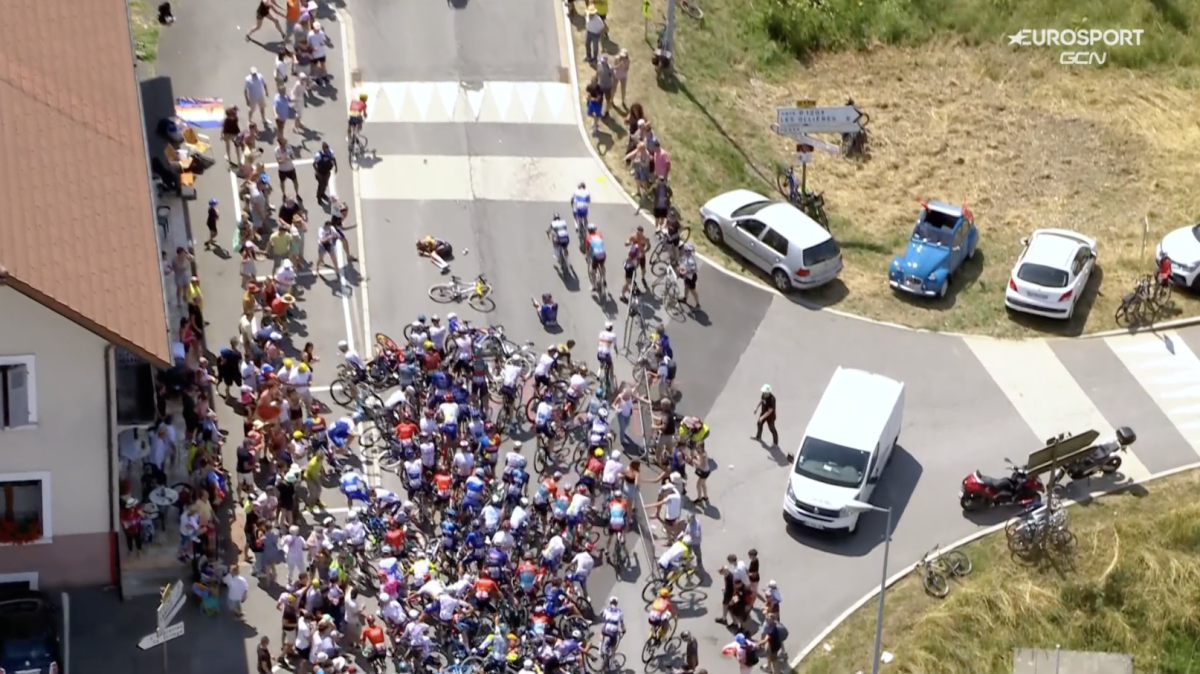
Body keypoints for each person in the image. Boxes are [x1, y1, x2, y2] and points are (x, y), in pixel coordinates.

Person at [678, 242, 700, 307]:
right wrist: (681, 267)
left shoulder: (691, 260)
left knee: (693, 291)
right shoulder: (687, 256)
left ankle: (697, 304)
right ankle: (685, 298)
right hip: (687, 277)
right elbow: (684, 264)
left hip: (691, 278)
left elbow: (693, 270)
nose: (683, 251)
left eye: (685, 250)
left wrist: (684, 272)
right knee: (686, 287)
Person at [586, 223, 606, 290]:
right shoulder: (599, 235)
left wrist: (587, 256)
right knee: (602, 265)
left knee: (592, 270)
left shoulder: (588, 237)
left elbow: (587, 248)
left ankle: (593, 285)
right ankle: (604, 279)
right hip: (603, 253)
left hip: (596, 254)